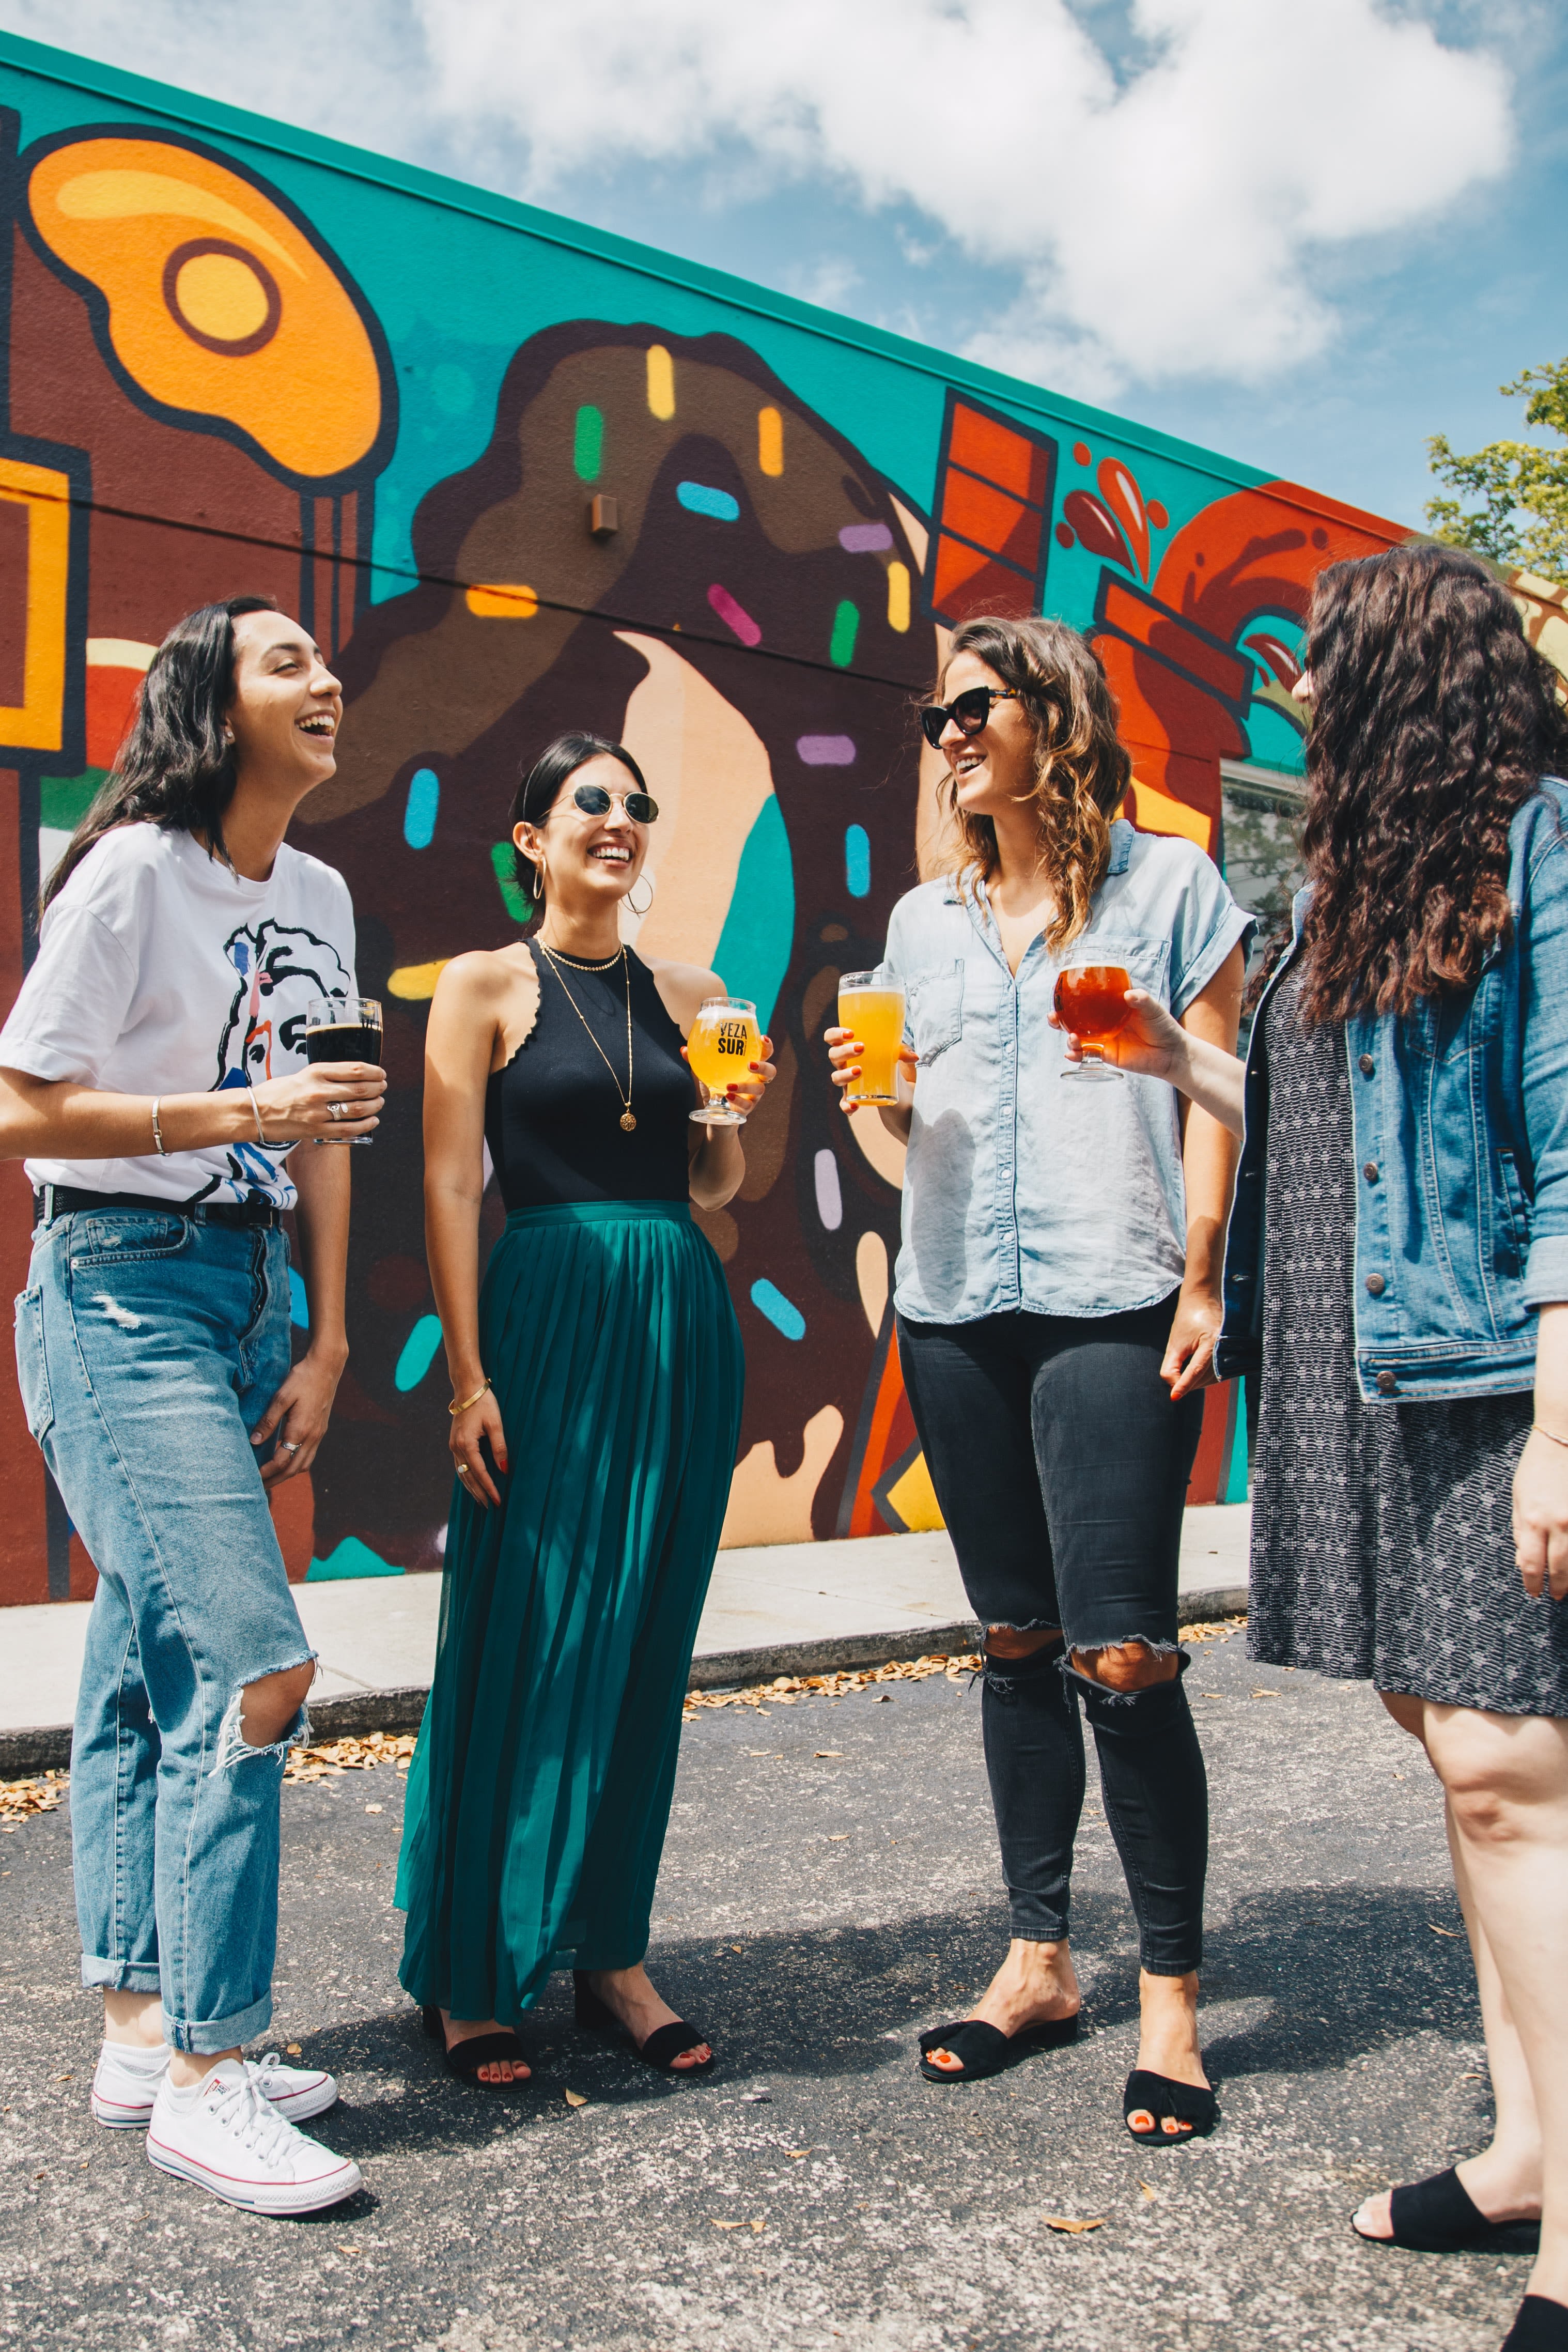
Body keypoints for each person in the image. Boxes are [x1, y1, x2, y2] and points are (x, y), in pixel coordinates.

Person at [1198, 546, 1568, 2352]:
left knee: (1513, 1769)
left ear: (1402, 675)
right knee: (1453, 1751)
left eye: (1315, 665)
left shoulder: (1539, 843)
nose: (1292, 695)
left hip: (1493, 1375)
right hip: (1358, 1374)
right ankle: (1521, 2154)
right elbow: (1324, 1122)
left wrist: (1563, 1424)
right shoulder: (1344, 887)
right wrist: (1166, 1074)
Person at [827, 614, 1253, 2141]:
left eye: (974, 708)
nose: (946, 733)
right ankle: (1036, 1963)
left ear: (1052, 720)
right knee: (1013, 1639)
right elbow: (907, 1129)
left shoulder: (1170, 886)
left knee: (1121, 1654)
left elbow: (1217, 1096)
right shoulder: (919, 923)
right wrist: (869, 1106)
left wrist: (1202, 1276)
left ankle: (1171, 2003)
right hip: (952, 1303)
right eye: (937, 714)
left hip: (1115, 1297)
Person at [0, 596, 386, 2215]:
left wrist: (329, 1337)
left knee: (141, 1654)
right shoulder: (134, 874)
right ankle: (214, 2073)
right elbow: (23, 1104)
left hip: (245, 1293)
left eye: (325, 661)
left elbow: (334, 1119)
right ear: (210, 703)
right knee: (251, 1658)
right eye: (288, 660)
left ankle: (140, 2027)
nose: (328, 678)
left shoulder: (322, 889)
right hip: (114, 1281)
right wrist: (234, 1103)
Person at [395, 731, 771, 2087]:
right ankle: (468, 1968)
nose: (618, 820)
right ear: (532, 840)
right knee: (527, 1628)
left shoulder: (697, 989)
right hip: (547, 1313)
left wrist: (728, 1113)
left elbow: (718, 1185)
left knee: (643, 1641)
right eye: (588, 803)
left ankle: (612, 1953)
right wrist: (468, 1377)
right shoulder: (482, 986)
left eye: (633, 805)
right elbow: (448, 1186)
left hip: (674, 1315)